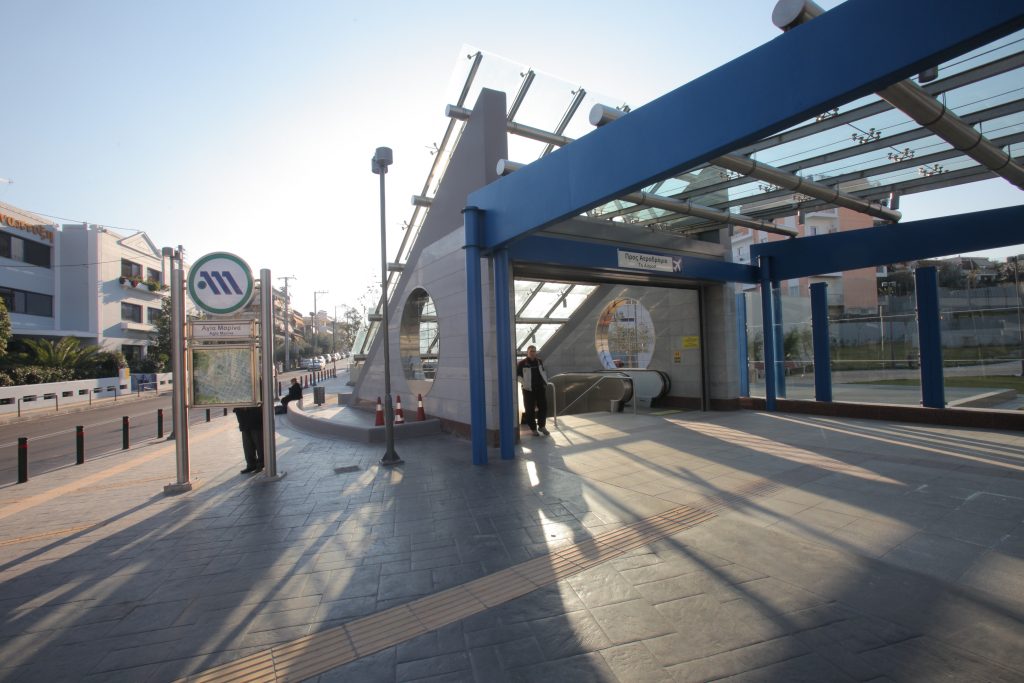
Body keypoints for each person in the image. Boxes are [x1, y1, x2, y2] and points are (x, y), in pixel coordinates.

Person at [516, 345, 550, 436]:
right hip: (528, 390)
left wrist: (545, 382)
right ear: (527, 352)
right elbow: (518, 376)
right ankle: (533, 428)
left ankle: (542, 426)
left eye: (534, 351)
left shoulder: (539, 362)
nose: (532, 353)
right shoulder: (522, 363)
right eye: (531, 351)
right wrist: (525, 384)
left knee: (543, 407)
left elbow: (542, 372)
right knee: (529, 409)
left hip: (540, 388)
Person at [233, 406, 264, 474]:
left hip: (255, 416)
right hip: (243, 418)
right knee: (247, 445)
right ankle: (251, 465)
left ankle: (261, 464)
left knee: (259, 443)